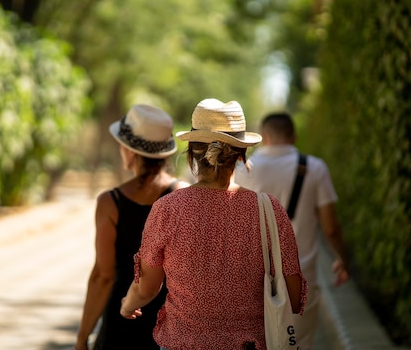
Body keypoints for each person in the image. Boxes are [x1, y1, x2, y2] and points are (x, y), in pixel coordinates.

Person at [120, 99, 307, 350]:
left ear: (192, 152)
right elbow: (293, 298)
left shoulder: (167, 209)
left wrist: (128, 305)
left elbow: (147, 288)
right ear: (241, 155)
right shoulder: (268, 210)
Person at [75, 104, 189, 350]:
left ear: (130, 151)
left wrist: (82, 337)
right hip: (167, 325)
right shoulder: (181, 196)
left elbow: (102, 276)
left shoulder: (110, 203)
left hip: (120, 322)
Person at [236, 112, 349, 350]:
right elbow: (330, 228)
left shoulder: (242, 170)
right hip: (301, 281)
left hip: (252, 280)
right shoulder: (315, 168)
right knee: (299, 344)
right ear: (294, 136)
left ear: (263, 137)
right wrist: (342, 258)